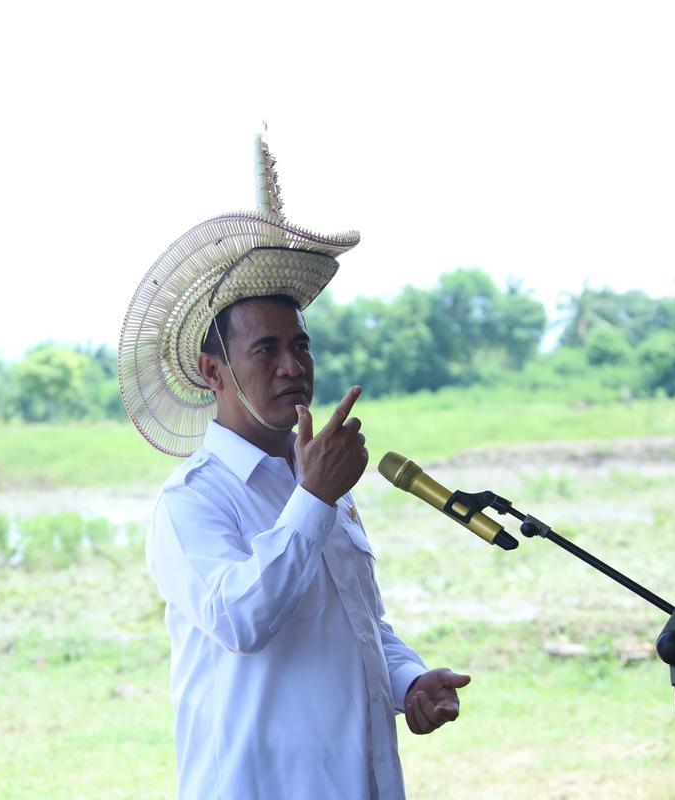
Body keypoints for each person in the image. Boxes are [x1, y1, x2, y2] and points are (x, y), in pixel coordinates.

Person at [117, 135, 470, 799]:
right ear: (213, 371)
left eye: (301, 345)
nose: (292, 366)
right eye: (266, 349)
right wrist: (315, 497)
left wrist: (409, 681)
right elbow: (241, 620)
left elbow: (358, 623)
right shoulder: (192, 501)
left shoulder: (315, 479)